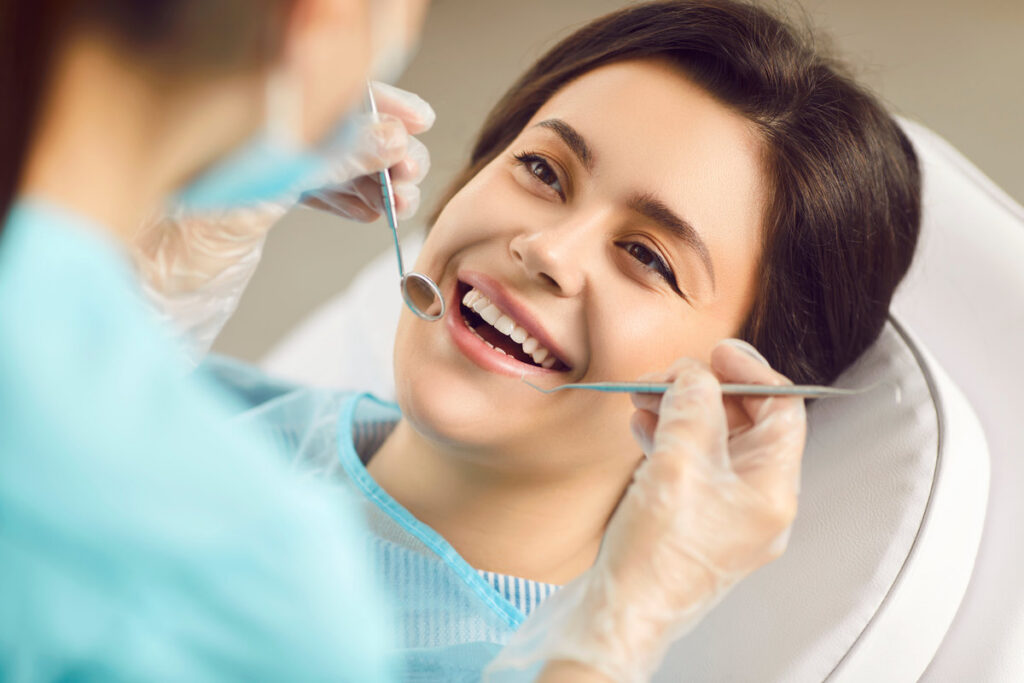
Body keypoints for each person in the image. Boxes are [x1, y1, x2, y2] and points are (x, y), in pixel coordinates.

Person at [0, 0, 811, 681]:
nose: (547, 249)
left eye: (647, 256)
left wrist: (612, 634)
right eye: (542, 170)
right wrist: (137, 294)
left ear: (730, 402)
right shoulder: (187, 396)